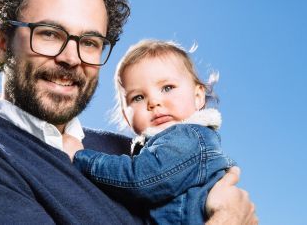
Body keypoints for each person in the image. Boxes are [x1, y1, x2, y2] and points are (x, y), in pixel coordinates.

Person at [0, 0, 257, 224]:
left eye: (90, 42)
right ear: (3, 42)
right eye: (49, 34)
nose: (71, 57)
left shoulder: (131, 151)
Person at [63, 40, 236, 224]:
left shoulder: (190, 137)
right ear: (127, 117)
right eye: (138, 97)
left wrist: (80, 157)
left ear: (198, 96)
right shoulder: (150, 147)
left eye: (167, 88)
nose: (153, 101)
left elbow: (141, 179)